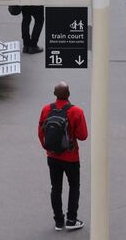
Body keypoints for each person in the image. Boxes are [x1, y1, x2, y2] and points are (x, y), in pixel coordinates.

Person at [38, 81, 88, 232]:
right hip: (71, 158)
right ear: (69, 94)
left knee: (56, 188)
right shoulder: (76, 111)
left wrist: (48, 148)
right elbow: (83, 135)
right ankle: (72, 220)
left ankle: (59, 222)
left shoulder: (46, 109)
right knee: (74, 186)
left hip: (52, 157)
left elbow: (41, 132)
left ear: (54, 94)